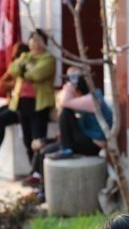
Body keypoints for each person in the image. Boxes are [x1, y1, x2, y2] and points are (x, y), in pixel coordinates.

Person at [22, 67, 112, 195]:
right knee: (45, 151)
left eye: (70, 85)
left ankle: (66, 149)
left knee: (65, 112)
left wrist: (68, 88)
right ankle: (42, 189)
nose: (67, 87)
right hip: (84, 139)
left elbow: (63, 102)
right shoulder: (80, 100)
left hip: (93, 144)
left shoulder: (93, 98)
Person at [9, 29, 55, 160]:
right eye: (33, 40)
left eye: (39, 40)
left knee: (38, 139)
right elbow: (13, 69)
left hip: (38, 104)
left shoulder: (49, 59)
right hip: (22, 103)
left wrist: (24, 71)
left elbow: (36, 74)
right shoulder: (25, 56)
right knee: (27, 139)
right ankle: (33, 170)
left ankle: (39, 172)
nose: (35, 43)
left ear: (44, 43)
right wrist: (25, 68)